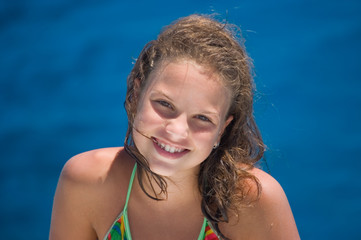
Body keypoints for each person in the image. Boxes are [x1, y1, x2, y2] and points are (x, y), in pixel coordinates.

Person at [49, 14, 300, 240]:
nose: (177, 131)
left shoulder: (254, 202)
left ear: (222, 129)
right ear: (137, 95)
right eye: (164, 104)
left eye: (202, 118)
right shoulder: (86, 183)